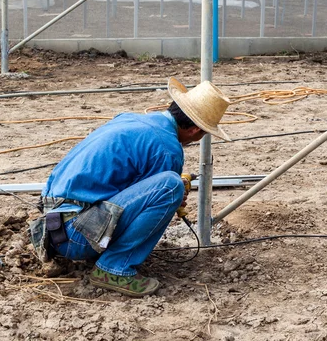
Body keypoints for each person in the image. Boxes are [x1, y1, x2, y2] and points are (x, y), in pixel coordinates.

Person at [29, 77, 231, 297]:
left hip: (52, 228)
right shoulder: (167, 148)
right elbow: (156, 197)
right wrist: (176, 191)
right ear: (194, 130)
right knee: (170, 186)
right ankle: (115, 268)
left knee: (167, 186)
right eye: (203, 133)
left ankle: (106, 256)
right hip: (75, 238)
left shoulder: (130, 120)